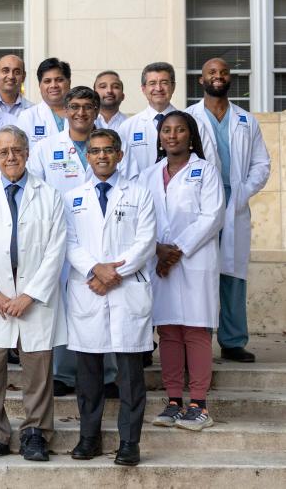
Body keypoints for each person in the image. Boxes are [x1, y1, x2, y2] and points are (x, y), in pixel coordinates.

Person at [0, 126, 67, 462]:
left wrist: (30, 295)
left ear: (27, 153)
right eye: (4, 151)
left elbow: (56, 251)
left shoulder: (49, 195)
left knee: (38, 373)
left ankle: (36, 433)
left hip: (33, 299)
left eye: (17, 150)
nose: (11, 157)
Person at [28, 87, 132, 397]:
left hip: (106, 241)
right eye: (74, 106)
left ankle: (108, 375)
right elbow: (35, 193)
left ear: (97, 111)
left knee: (105, 305)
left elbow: (130, 186)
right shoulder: (46, 148)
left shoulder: (111, 144)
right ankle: (63, 373)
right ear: (65, 110)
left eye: (88, 107)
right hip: (60, 240)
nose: (81, 113)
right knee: (62, 306)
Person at [62, 129, 157, 466]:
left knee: (130, 375)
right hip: (88, 288)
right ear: (87, 156)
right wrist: (95, 270)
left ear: (120, 155)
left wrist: (113, 274)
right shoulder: (72, 197)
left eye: (108, 150)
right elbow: (69, 242)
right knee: (88, 374)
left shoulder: (139, 194)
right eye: (95, 151)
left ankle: (130, 442)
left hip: (125, 289)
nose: (102, 156)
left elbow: (145, 241)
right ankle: (89, 437)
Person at [141, 111, 225, 431]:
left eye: (179, 130)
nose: (172, 135)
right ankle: (174, 401)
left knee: (195, 330)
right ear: (160, 137)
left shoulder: (205, 171)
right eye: (166, 130)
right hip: (160, 261)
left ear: (190, 136)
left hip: (193, 260)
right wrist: (157, 250)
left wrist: (174, 251)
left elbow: (212, 216)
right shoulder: (148, 174)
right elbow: (142, 218)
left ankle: (199, 405)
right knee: (169, 332)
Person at [185, 58, 272, 363]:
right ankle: (197, 343)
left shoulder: (246, 120)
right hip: (199, 208)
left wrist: (243, 192)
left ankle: (233, 341)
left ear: (230, 78)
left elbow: (261, 164)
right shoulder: (188, 117)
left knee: (233, 275)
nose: (218, 76)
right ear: (201, 79)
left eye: (223, 72)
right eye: (212, 72)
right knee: (199, 274)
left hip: (235, 206)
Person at [116, 62, 178, 176]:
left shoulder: (191, 123)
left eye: (164, 83)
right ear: (143, 89)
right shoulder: (127, 127)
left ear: (173, 87)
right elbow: (120, 168)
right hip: (138, 187)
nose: (158, 88)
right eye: (152, 83)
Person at [17, 58, 71, 146]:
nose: (53, 85)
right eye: (47, 81)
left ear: (69, 82)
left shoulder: (83, 114)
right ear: (40, 85)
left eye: (59, 80)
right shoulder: (27, 117)